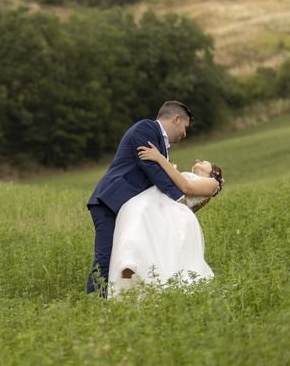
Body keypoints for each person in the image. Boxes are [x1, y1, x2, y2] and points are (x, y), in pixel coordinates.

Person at [86, 101, 193, 295]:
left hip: (127, 210)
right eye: (185, 127)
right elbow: (151, 169)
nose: (185, 134)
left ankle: (114, 301)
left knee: (125, 258)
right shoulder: (146, 128)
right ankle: (92, 304)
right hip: (110, 202)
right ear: (176, 119)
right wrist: (178, 198)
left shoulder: (161, 145)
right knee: (105, 258)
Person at [107, 146, 224, 297]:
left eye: (204, 162)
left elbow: (186, 187)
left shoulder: (212, 183)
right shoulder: (187, 175)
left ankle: (136, 265)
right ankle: (130, 262)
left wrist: (159, 158)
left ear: (214, 172)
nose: (198, 161)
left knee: (144, 224)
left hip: (169, 209)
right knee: (136, 219)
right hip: (160, 202)